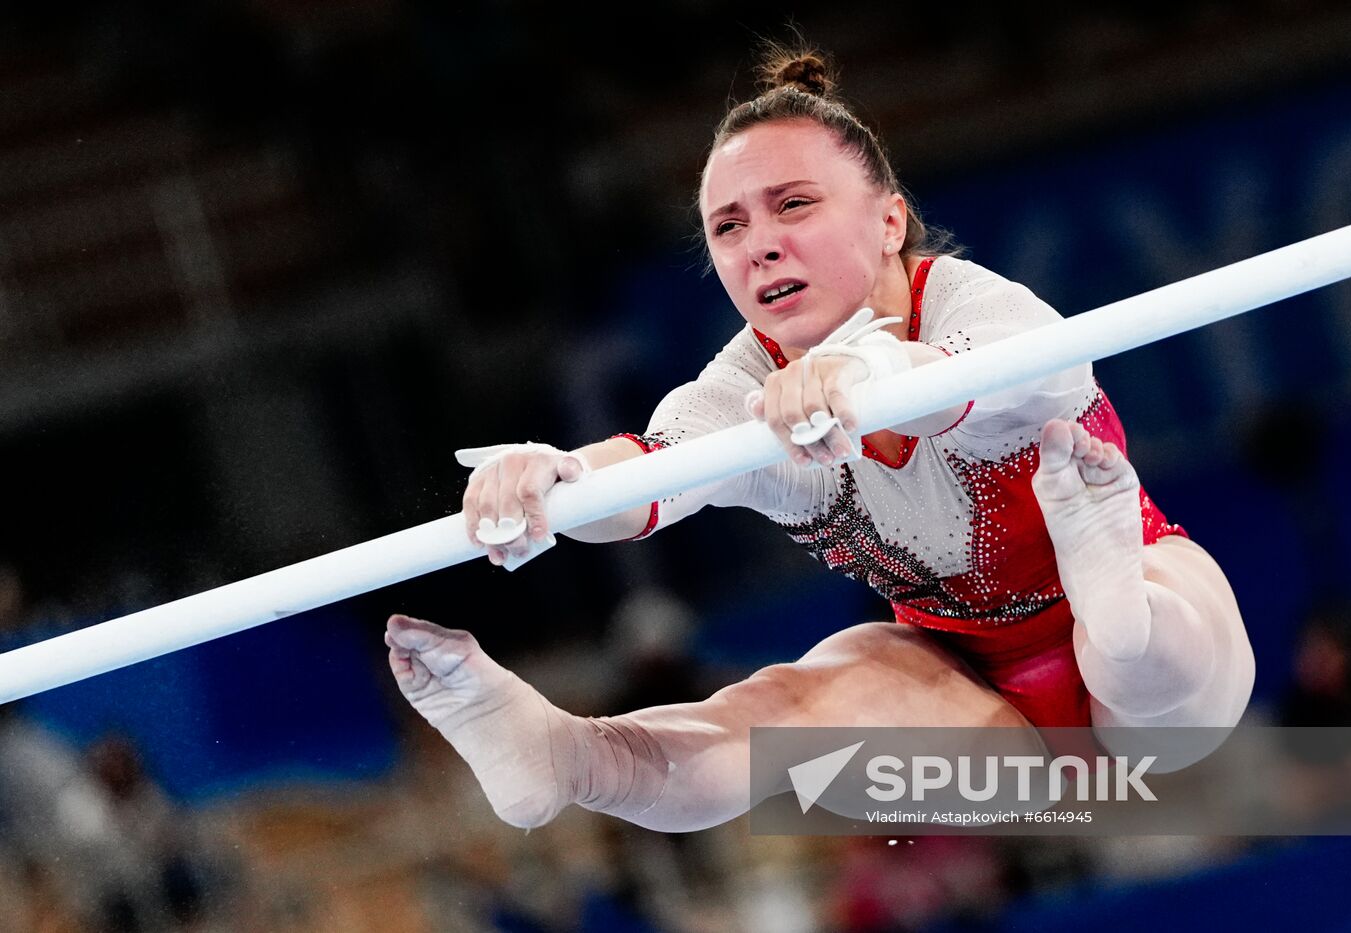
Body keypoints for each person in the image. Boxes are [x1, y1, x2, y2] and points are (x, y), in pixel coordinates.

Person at [384, 44, 1255, 832]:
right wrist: (559, 479)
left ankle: (1120, 613)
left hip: (1148, 625)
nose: (759, 246)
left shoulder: (976, 306)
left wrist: (863, 376)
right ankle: (564, 757)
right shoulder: (744, 389)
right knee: (778, 717)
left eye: (791, 204)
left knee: (1154, 678)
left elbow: (1012, 378)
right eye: (729, 227)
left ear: (888, 221)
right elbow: (650, 478)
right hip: (963, 687)